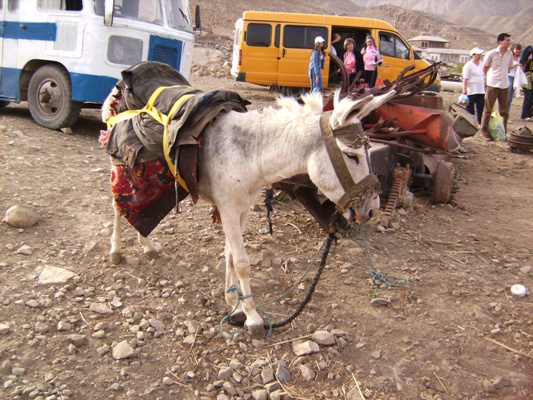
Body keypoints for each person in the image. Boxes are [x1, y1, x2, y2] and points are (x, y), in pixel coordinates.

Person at [479, 33, 515, 141]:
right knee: (488, 109)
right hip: (493, 84)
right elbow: (484, 68)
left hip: (504, 84)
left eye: (509, 40)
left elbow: (509, 66)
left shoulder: (509, 54)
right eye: (507, 40)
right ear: (500, 42)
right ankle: (484, 131)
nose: (508, 43)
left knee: (504, 110)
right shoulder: (491, 54)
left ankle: (502, 132)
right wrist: (486, 80)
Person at [462, 47, 486, 126]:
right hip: (472, 89)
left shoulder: (482, 64)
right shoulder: (468, 65)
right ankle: (470, 122)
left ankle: (480, 123)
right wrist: (464, 89)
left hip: (481, 89)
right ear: (473, 55)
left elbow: (484, 76)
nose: (480, 56)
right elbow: (465, 78)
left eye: (480, 54)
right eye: (478, 54)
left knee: (481, 107)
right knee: (470, 107)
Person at [507, 43, 522, 116]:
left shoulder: (519, 59)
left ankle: (507, 113)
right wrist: (515, 65)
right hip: (509, 75)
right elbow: (507, 68)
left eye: (519, 50)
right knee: (507, 96)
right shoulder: (510, 57)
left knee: (510, 98)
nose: (518, 51)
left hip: (515, 77)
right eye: (517, 49)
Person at [520, 49, 533, 122]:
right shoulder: (527, 61)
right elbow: (526, 51)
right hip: (528, 81)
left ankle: (530, 114)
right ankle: (525, 115)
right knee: (528, 98)